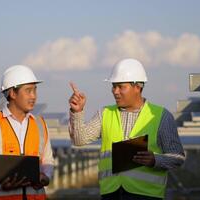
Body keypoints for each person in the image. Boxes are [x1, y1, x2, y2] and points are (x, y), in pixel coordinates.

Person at [68, 58, 185, 200]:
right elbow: (79, 140)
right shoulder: (105, 113)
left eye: (120, 86)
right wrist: (77, 112)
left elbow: (177, 157)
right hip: (112, 193)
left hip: (146, 195)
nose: (115, 91)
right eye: (113, 86)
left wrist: (155, 160)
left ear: (138, 87)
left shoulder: (161, 116)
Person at [0, 65, 54, 200]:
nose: (33, 96)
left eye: (35, 90)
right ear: (12, 93)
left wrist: (46, 177)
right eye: (28, 91)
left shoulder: (40, 124)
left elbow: (48, 160)